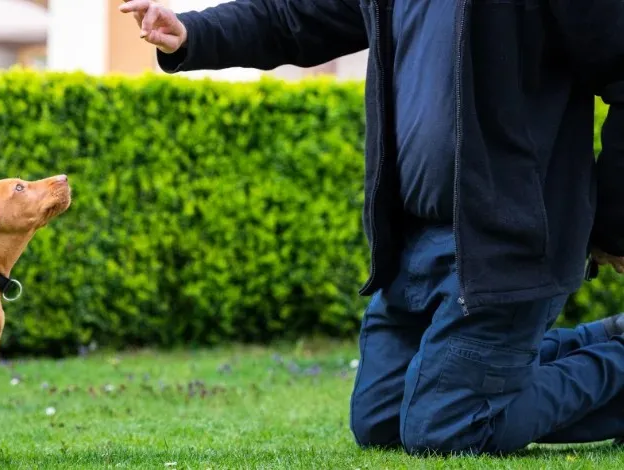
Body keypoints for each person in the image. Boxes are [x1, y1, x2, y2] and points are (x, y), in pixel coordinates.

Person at [118, 0, 624, 456]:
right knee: (381, 420)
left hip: (508, 246)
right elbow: (295, 18)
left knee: (444, 428)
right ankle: (596, 343)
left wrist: (612, 224)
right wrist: (193, 32)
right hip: (413, 246)